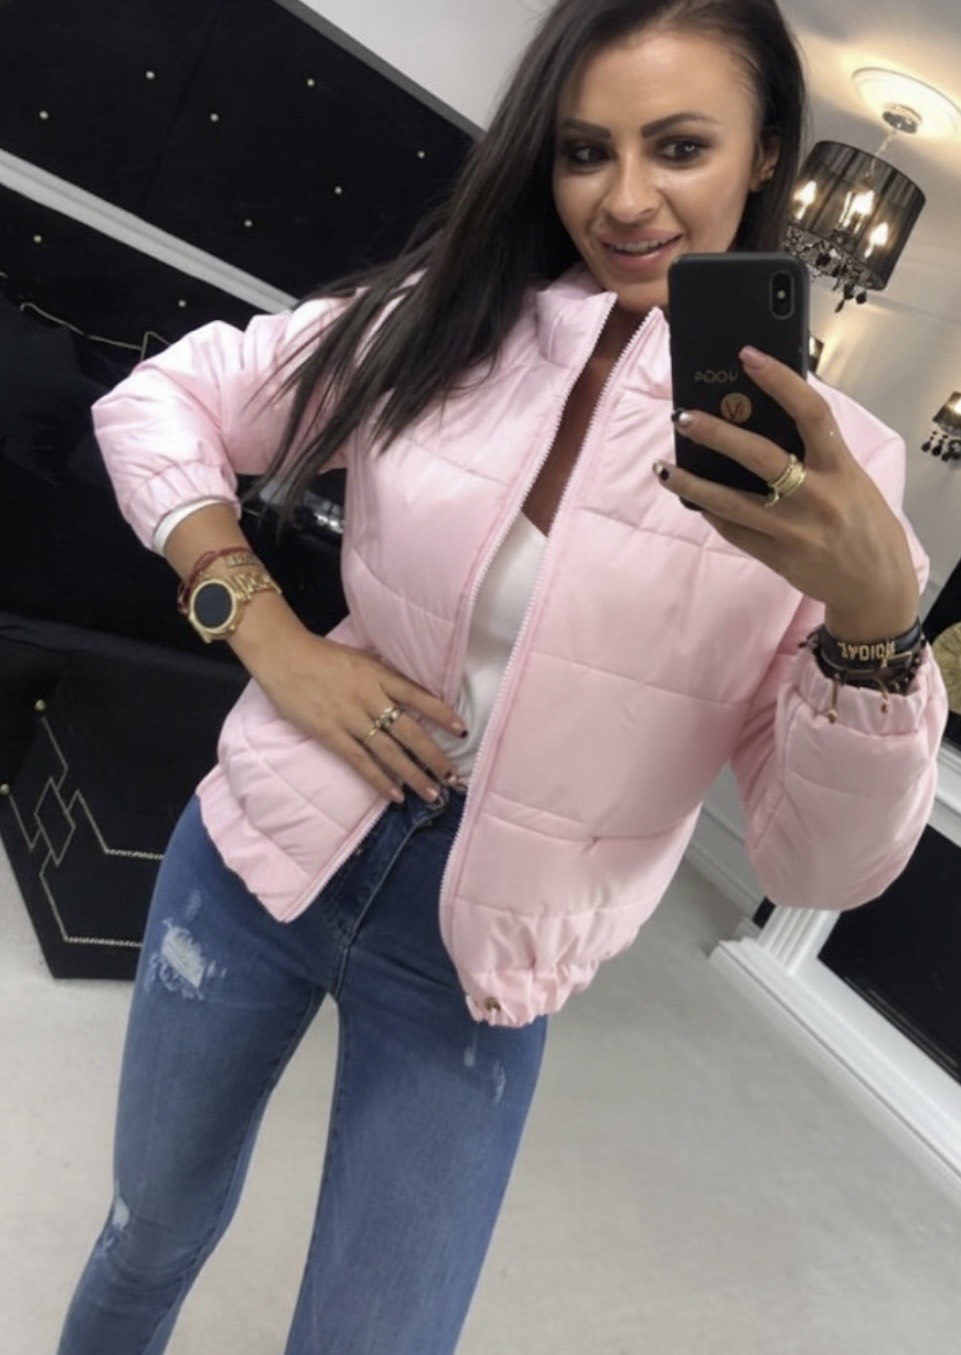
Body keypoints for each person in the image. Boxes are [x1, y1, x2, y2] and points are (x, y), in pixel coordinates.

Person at [57, 0, 948, 1351]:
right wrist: (270, 635)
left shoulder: (849, 477)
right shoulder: (447, 323)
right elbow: (161, 401)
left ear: (766, 151)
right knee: (150, 1230)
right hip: (262, 851)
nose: (625, 199)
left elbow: (817, 864)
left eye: (680, 146)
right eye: (586, 150)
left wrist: (877, 626)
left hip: (481, 958)